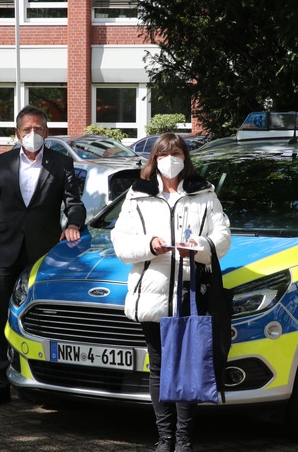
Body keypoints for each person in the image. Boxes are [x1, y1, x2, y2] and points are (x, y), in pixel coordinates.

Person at [110, 133, 231, 452]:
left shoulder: (204, 193)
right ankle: (164, 438)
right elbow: (121, 243)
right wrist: (149, 245)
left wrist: (202, 247)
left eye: (176, 152)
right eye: (163, 153)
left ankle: (184, 439)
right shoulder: (138, 195)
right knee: (160, 366)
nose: (170, 158)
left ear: (185, 157)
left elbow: (223, 236)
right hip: (153, 292)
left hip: (192, 293)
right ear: (154, 158)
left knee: (189, 364)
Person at [0, 105, 86, 408]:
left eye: (39, 129)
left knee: (38, 319)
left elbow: (74, 204)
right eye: (27, 130)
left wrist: (73, 223)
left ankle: (36, 382)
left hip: (42, 255)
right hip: (3, 254)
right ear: (17, 133)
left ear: (46, 132)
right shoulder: (1, 163)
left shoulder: (61, 163)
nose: (33, 134)